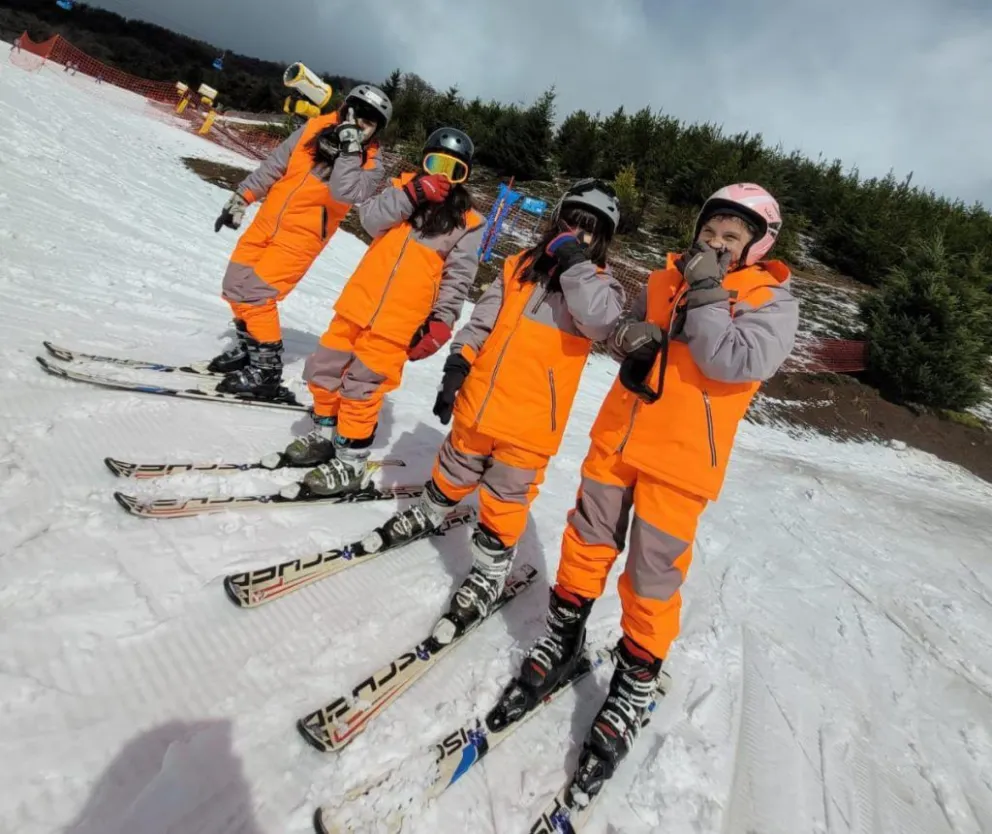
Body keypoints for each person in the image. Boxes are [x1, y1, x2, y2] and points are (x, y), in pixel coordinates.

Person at [506, 183, 799, 795]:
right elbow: (618, 326)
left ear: (756, 247)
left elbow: (729, 361)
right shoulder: (666, 279)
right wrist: (630, 343)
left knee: (652, 575)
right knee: (586, 541)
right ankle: (564, 631)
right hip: (619, 436)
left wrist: (709, 291)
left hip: (682, 461)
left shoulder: (770, 301)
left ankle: (636, 678)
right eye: (709, 233)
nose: (714, 245)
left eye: (730, 239)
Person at [345, 180, 625, 643]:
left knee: (503, 500)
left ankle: (490, 570)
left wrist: (575, 263)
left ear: (603, 240)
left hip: (530, 424)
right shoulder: (520, 266)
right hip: (480, 401)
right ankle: (430, 510)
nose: (577, 235)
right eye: (571, 223)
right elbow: (484, 319)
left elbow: (598, 321)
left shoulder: (600, 287)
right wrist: (459, 364)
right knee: (454, 464)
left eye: (589, 232)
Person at [283, 127, 487, 489]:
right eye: (435, 163)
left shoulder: (466, 223)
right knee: (325, 370)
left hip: (398, 323)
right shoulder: (402, 192)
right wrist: (411, 195)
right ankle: (324, 435)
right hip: (357, 305)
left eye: (454, 170)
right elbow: (369, 220)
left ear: (463, 177)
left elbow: (459, 278)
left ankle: (351, 460)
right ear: (424, 162)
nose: (442, 175)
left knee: (363, 388)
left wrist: (441, 321)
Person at [208, 84, 392, 399]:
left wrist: (349, 150)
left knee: (257, 296)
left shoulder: (371, 165)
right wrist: (242, 197)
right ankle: (248, 348)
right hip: (267, 221)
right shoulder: (315, 127)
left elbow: (346, 193)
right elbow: (275, 166)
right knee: (235, 286)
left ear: (376, 132)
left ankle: (266, 370)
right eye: (356, 113)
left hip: (302, 237)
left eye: (369, 122)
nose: (359, 123)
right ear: (344, 108)